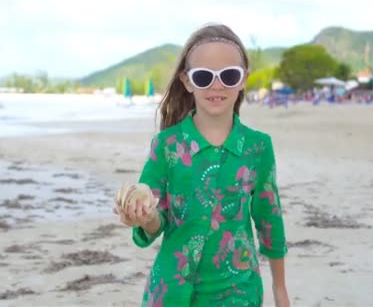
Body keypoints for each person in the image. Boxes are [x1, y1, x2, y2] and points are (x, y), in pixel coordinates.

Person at [113, 23, 290, 306]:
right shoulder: (167, 145)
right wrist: (143, 217)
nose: (216, 85)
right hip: (169, 293)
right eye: (204, 76)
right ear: (187, 80)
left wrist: (280, 289)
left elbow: (269, 220)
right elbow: (155, 217)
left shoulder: (258, 147)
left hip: (238, 292)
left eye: (229, 75)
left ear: (243, 79)